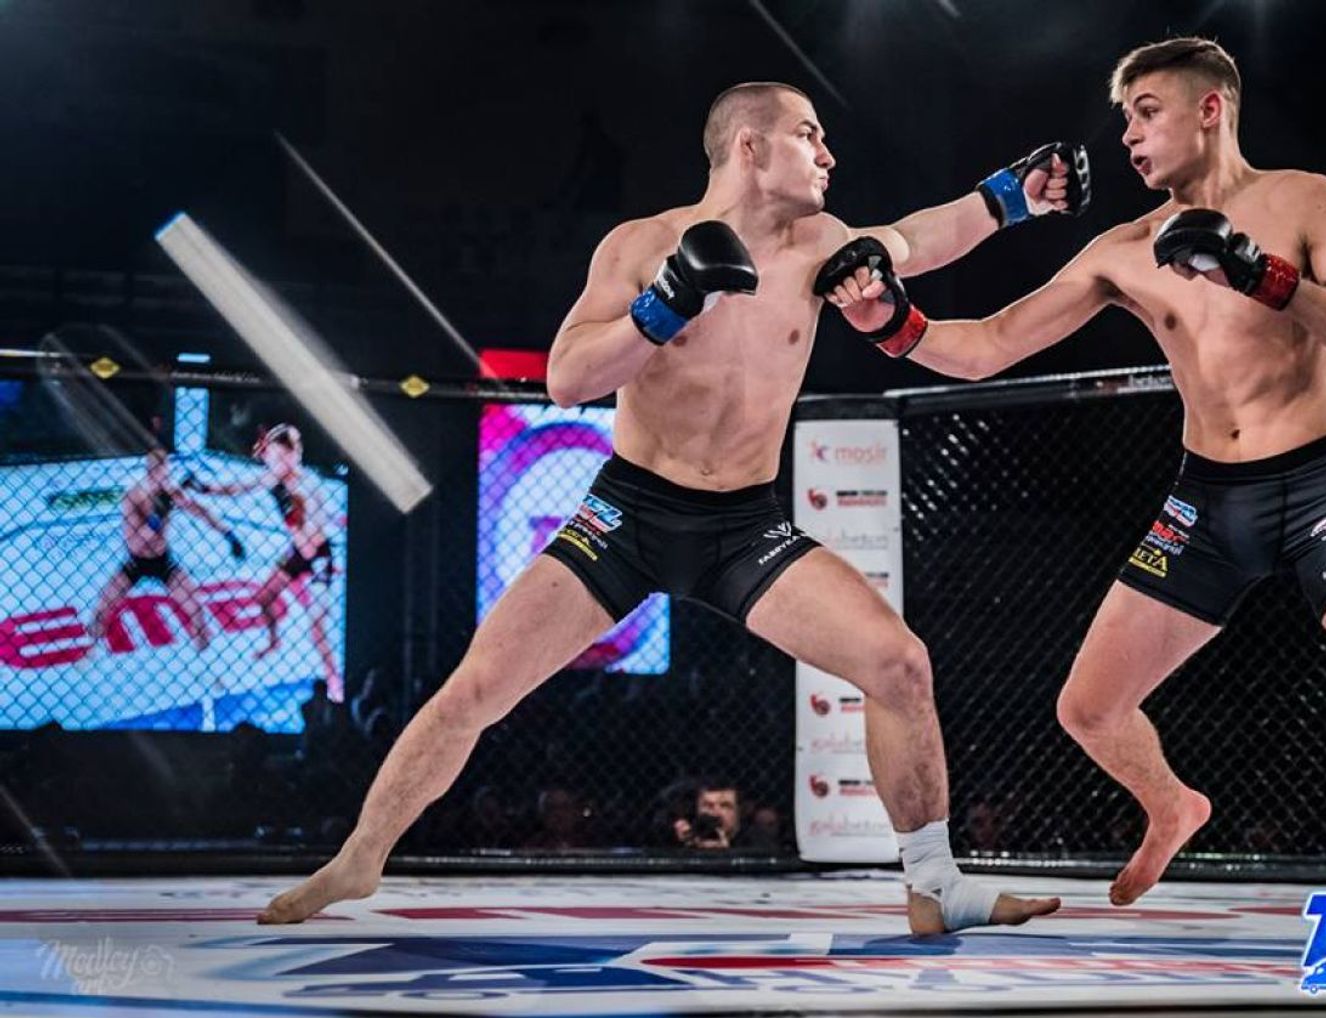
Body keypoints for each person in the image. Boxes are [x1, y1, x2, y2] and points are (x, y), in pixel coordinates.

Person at [260, 80, 1089, 932]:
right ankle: (358, 858)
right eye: (808, 135)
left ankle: (934, 886)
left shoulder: (822, 245)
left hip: (746, 525)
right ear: (750, 147)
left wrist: (1013, 198)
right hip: (629, 515)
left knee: (900, 665)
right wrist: (663, 308)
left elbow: (917, 237)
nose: (829, 154)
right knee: (477, 687)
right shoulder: (643, 244)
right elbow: (566, 379)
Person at [819, 37, 1326, 906]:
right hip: (1206, 501)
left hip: (1319, 488)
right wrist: (893, 324)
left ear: (1210, 109)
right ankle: (1173, 803)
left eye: (1146, 113)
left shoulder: (1304, 200)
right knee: (1088, 709)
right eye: (1125, 119)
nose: (1127, 135)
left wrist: (1263, 277)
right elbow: (987, 348)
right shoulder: (1124, 249)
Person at [188, 424, 342, 701]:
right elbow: (238, 487)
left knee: (316, 626)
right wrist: (205, 488)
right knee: (263, 597)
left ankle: (333, 678)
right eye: (272, 456)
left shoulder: (309, 485)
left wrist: (297, 515)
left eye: (281, 457)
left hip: (319, 555)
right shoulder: (274, 478)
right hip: (296, 551)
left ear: (294, 456)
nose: (274, 462)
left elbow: (313, 534)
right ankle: (273, 641)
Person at [90, 446, 244, 654]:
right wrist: (155, 519)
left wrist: (229, 535)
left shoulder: (170, 492)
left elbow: (201, 512)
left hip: (163, 560)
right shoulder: (133, 497)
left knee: (197, 611)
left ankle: (202, 658)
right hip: (136, 561)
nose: (166, 482)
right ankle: (89, 652)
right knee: (100, 611)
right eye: (162, 477)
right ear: (150, 474)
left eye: (168, 476)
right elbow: (134, 542)